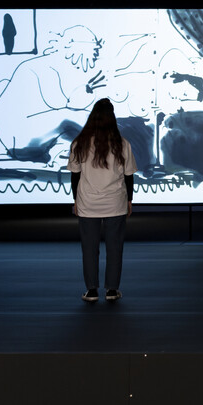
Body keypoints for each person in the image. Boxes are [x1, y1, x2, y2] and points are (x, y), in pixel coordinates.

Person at [67, 98, 137, 302]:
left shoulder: (79, 143)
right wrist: (130, 200)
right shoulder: (122, 144)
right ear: (112, 118)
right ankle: (112, 290)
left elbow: (75, 175)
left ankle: (91, 290)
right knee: (115, 247)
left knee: (89, 248)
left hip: (88, 202)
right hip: (115, 202)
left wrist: (76, 201)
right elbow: (129, 175)